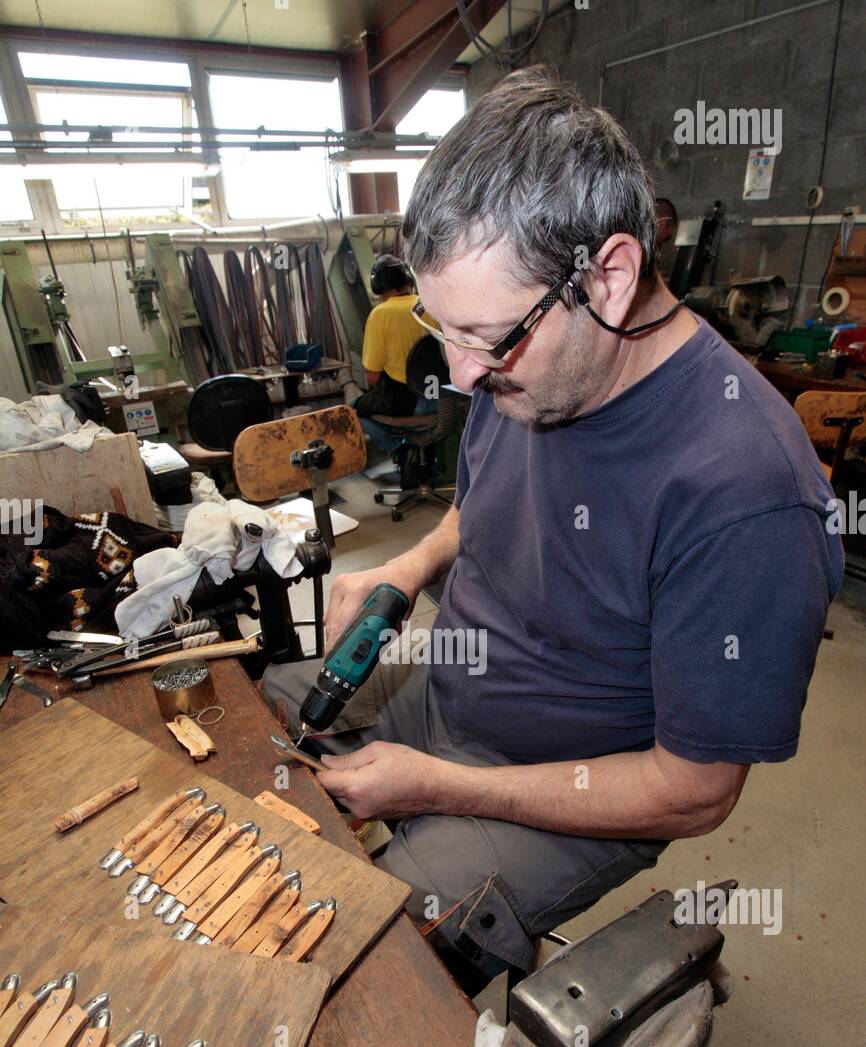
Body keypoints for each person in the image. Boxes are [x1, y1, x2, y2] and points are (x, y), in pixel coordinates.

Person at [263, 66, 843, 995]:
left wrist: (435, 787)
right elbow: (478, 503)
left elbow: (694, 792)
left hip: (566, 784)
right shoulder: (526, 365)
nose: (457, 376)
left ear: (610, 276)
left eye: (486, 339)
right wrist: (410, 563)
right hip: (453, 685)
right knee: (245, 716)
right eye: (440, 329)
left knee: (356, 967)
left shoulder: (745, 493)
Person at [352, 254, 432, 455]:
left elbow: (372, 377)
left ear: (377, 285)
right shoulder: (428, 305)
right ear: (409, 279)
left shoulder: (380, 315)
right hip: (440, 398)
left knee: (352, 410)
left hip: (404, 402)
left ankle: (400, 448)